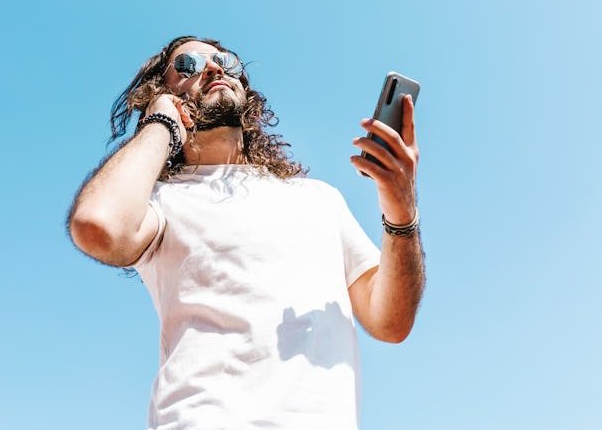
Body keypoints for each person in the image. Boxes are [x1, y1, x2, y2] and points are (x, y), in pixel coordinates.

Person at [67, 36, 425, 429]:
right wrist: (162, 123)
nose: (213, 68)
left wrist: (401, 209)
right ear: (164, 94)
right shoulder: (162, 201)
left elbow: (390, 321)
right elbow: (98, 225)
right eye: (187, 64)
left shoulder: (318, 198)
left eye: (224, 60)